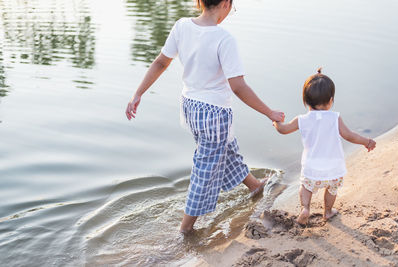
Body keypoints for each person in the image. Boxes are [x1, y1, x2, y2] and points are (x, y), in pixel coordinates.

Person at [125, 0, 285, 234]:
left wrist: (138, 93)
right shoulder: (224, 39)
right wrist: (269, 112)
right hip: (214, 113)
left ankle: (254, 186)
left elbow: (161, 62)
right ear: (225, 3)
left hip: (191, 108)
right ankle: (185, 230)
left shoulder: (181, 26)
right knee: (204, 170)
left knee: (227, 148)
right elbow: (238, 86)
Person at [273, 68, 376, 225]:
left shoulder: (302, 119)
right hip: (334, 168)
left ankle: (305, 209)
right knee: (331, 190)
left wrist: (275, 121)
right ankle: (327, 212)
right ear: (331, 100)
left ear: (305, 101)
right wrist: (366, 141)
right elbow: (350, 135)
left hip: (311, 168)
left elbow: (284, 130)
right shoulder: (335, 118)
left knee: (306, 188)